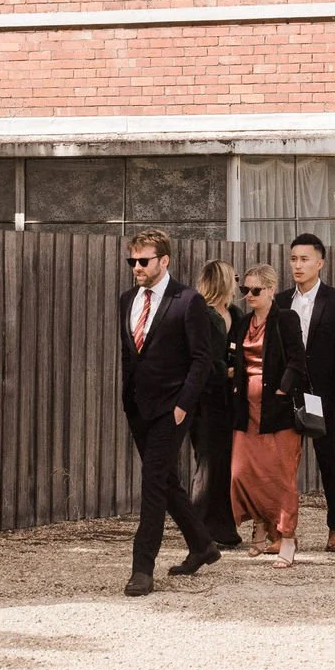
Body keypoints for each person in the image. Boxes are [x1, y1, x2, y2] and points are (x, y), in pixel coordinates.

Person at [118, 228, 221, 596]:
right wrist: (127, 398)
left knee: (152, 484)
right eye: (132, 261)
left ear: (164, 260)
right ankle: (202, 544)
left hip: (172, 409)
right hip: (138, 407)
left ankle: (142, 569)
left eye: (144, 261)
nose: (136, 267)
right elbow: (131, 356)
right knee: (165, 480)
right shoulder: (127, 299)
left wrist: (183, 405)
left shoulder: (187, 300)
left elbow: (201, 358)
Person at [276, 233, 335, 551]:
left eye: (304, 259)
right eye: (294, 259)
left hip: (324, 395)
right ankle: (281, 530)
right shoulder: (281, 301)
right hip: (288, 394)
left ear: (320, 263)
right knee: (282, 463)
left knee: (329, 462)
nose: (298, 265)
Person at [228, 264, 310, 569]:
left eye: (255, 290)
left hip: (277, 411)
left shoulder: (286, 319)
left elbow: (297, 360)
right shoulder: (243, 322)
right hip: (245, 410)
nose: (248, 295)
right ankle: (260, 522)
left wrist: (282, 390)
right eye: (244, 290)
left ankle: (286, 537)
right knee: (241, 473)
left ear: (271, 290)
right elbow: (233, 354)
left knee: (281, 476)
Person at [188, 260, 244, 550]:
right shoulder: (202, 314)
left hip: (231, 399)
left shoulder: (236, 314)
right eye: (233, 278)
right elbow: (198, 358)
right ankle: (200, 529)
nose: (237, 282)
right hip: (206, 399)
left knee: (225, 464)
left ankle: (223, 527)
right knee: (208, 463)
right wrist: (227, 371)